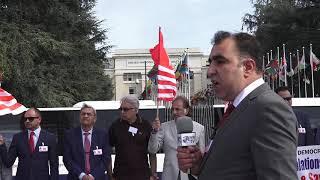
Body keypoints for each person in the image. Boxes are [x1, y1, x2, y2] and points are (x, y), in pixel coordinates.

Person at [177, 31, 298, 179]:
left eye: (220, 62)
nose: (209, 72)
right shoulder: (238, 108)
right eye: (210, 63)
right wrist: (199, 165)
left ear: (247, 67)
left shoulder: (268, 109)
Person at [148, 96, 205, 180]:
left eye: (177, 109)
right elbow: (152, 150)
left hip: (190, 175)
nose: (174, 112)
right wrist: (154, 132)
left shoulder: (199, 128)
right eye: (173, 109)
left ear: (186, 110)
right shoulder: (164, 127)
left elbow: (202, 155)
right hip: (170, 175)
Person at [0, 107, 58, 180]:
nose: (27, 121)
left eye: (30, 119)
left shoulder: (49, 138)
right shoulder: (18, 138)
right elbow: (8, 162)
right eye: (25, 119)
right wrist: (2, 145)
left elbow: (54, 165)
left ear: (39, 119)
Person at [107, 96, 157, 180]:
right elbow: (107, 150)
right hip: (120, 175)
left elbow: (152, 152)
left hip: (142, 175)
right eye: (121, 109)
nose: (122, 112)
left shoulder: (145, 125)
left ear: (136, 110)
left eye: (125, 109)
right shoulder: (115, 126)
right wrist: (110, 175)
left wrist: (153, 174)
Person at [63, 104, 111, 180]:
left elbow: (106, 158)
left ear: (94, 118)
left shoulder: (103, 135)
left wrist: (93, 176)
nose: (85, 116)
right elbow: (67, 159)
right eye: (83, 114)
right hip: (76, 177)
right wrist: (82, 175)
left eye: (89, 114)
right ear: (80, 117)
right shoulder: (69, 135)